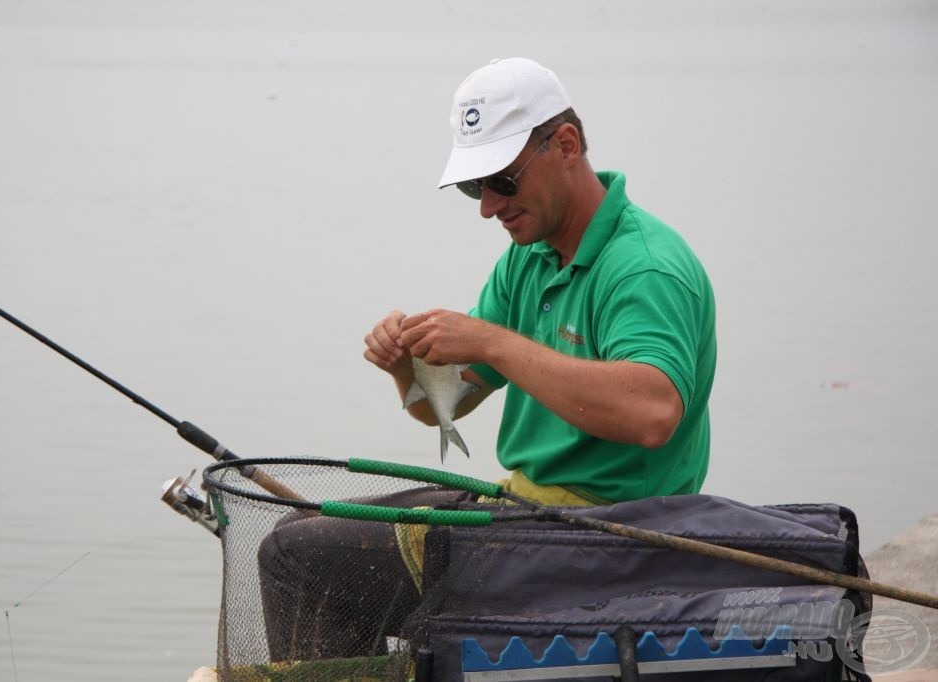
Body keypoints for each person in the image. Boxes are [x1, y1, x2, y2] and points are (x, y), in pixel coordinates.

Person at [258, 57, 716, 662]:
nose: (487, 206)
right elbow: (445, 406)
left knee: (295, 561)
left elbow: (655, 411)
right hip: (525, 510)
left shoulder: (644, 267)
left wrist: (491, 342)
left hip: (608, 536)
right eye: (475, 187)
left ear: (567, 145)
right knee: (296, 531)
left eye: (501, 180)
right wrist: (403, 365)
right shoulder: (528, 258)